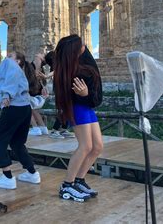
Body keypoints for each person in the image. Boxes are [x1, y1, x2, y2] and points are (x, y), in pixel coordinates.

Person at [54, 35, 103, 202]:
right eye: (81, 43)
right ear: (74, 50)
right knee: (85, 146)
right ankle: (67, 185)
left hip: (87, 108)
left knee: (97, 147)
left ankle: (79, 180)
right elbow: (74, 95)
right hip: (78, 109)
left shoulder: (81, 65)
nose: (85, 44)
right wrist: (84, 94)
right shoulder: (71, 72)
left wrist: (87, 95)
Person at [0, 51, 40, 190]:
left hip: (14, 107)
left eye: (10, 56)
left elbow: (11, 82)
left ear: (18, 61)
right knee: (17, 142)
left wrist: (6, 95)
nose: (6, 58)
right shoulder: (19, 71)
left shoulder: (13, 67)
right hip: (25, 108)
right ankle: (32, 173)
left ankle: (7, 177)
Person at [27, 53, 49, 136]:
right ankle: (43, 128)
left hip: (34, 93)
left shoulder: (37, 64)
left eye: (41, 55)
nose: (38, 54)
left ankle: (35, 128)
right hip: (38, 95)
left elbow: (36, 72)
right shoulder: (39, 68)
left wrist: (39, 59)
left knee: (27, 109)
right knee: (35, 110)